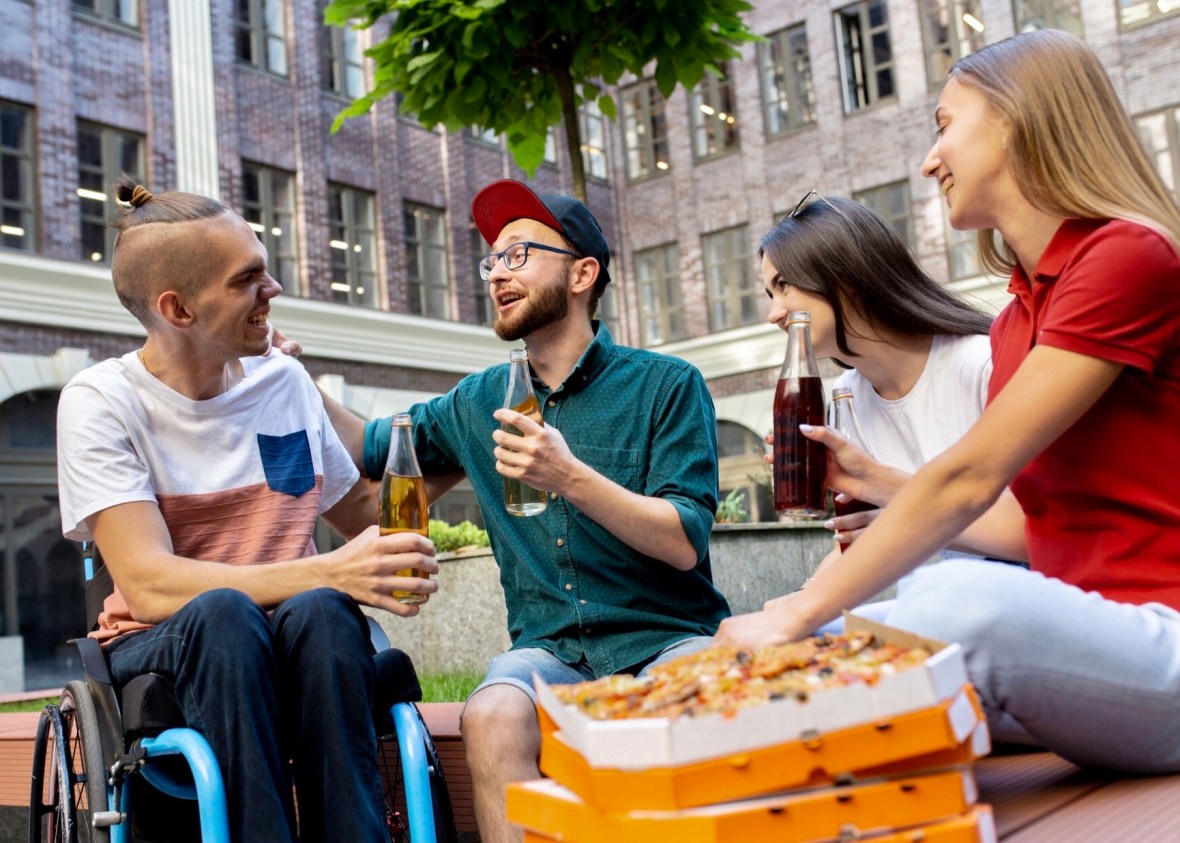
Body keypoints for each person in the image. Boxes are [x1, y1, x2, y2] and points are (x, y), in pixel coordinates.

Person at [717, 29, 1180, 773]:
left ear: (1016, 118)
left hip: (1161, 637)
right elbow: (1033, 526)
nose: (931, 160)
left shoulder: (1127, 255)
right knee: (837, 649)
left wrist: (796, 611)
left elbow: (966, 479)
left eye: (943, 125)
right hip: (1093, 644)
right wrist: (869, 484)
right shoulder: (1015, 320)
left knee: (950, 599)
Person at [324, 179, 731, 842]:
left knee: (692, 696)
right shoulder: (478, 399)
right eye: (492, 260)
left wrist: (568, 476)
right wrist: (281, 370)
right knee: (491, 714)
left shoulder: (667, 384)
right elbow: (368, 447)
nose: (497, 273)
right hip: (547, 651)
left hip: (666, 639)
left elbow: (684, 540)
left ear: (582, 273)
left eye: (519, 254)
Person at [56, 179, 440, 842]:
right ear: (177, 308)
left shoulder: (284, 382)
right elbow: (148, 585)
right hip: (169, 639)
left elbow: (360, 514)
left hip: (299, 630)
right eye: (249, 279)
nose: (275, 292)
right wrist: (329, 573)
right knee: (229, 613)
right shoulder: (101, 402)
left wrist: (488, 462)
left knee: (323, 610)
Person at [758, 194, 1025, 566]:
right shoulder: (845, 394)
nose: (774, 313)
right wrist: (794, 607)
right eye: (770, 293)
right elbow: (854, 540)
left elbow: (1038, 533)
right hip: (925, 608)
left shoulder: (981, 363)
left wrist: (903, 513)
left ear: (844, 273)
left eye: (784, 284)